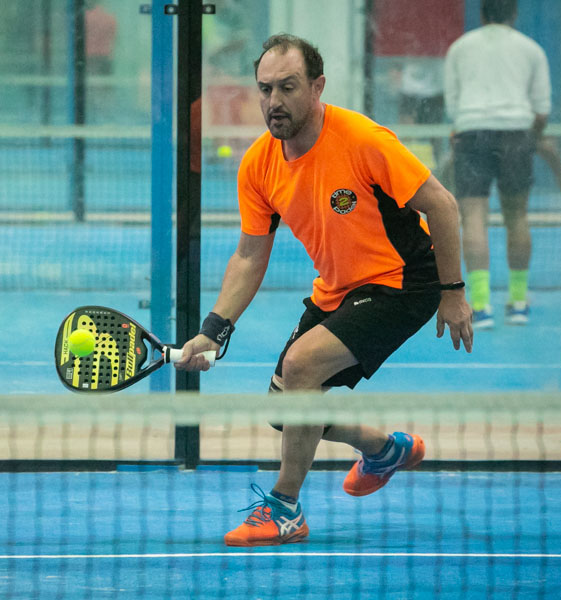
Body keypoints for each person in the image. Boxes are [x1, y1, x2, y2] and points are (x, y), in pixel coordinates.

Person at [174, 34, 473, 547]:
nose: (274, 101)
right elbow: (249, 256)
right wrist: (213, 330)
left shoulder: (362, 139)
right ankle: (384, 449)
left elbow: (442, 204)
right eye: (265, 88)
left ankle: (284, 509)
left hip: (404, 280)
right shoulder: (258, 164)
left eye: (287, 87)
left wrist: (453, 292)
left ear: (317, 87)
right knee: (285, 408)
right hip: (337, 288)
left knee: (300, 367)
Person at [444, 0, 552, 328]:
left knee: (473, 218)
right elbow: (542, 111)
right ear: (514, 14)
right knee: (517, 217)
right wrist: (530, 139)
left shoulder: (460, 48)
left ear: (482, 14)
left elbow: (453, 105)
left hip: (471, 134)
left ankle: (481, 306)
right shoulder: (532, 50)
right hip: (517, 136)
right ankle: (518, 303)